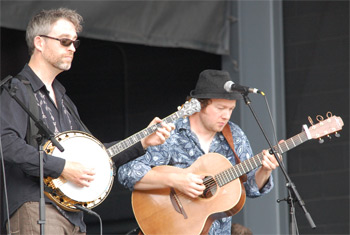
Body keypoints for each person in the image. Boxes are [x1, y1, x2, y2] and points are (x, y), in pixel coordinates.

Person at [0, 8, 173, 234]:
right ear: (40, 43)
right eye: (64, 41)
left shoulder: (65, 100)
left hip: (74, 216)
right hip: (37, 207)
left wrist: (142, 142)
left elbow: (97, 155)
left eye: (74, 42)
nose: (72, 48)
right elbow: (6, 143)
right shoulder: (16, 91)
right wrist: (63, 167)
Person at [118, 69, 281, 234]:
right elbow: (127, 172)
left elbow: (250, 188)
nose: (226, 116)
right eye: (220, 108)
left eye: (230, 109)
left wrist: (265, 171)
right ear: (200, 104)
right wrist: (177, 180)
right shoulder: (171, 133)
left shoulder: (235, 135)